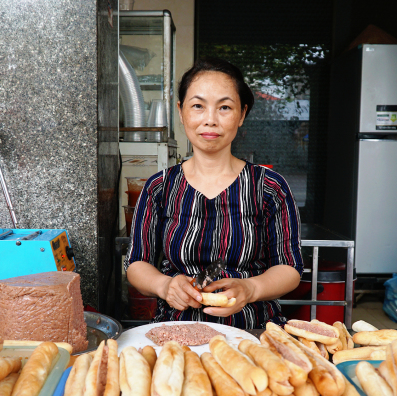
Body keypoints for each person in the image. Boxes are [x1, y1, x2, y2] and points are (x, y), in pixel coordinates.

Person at [125, 57, 303, 329]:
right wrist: (165, 286)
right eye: (198, 106)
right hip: (176, 330)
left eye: (224, 107)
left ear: (242, 114)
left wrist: (251, 289)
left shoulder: (270, 187)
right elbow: (137, 264)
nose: (210, 120)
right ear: (181, 111)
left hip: (254, 330)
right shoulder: (159, 188)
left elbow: (289, 268)